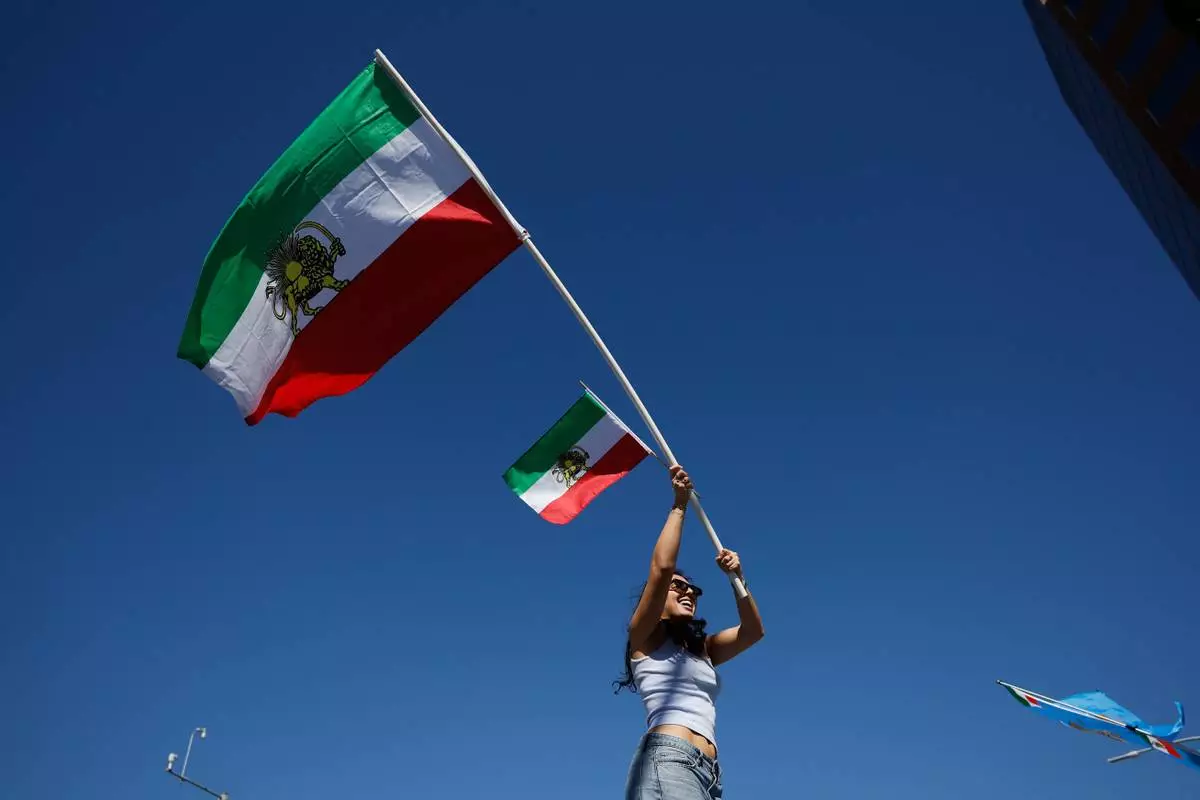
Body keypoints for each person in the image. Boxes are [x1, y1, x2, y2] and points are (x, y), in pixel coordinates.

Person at [616, 464, 766, 800]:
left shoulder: (703, 650)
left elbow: (753, 632)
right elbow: (662, 568)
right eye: (679, 587)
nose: (688, 593)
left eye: (693, 590)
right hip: (670, 758)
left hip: (709, 774)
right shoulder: (645, 638)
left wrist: (737, 579)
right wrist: (680, 505)